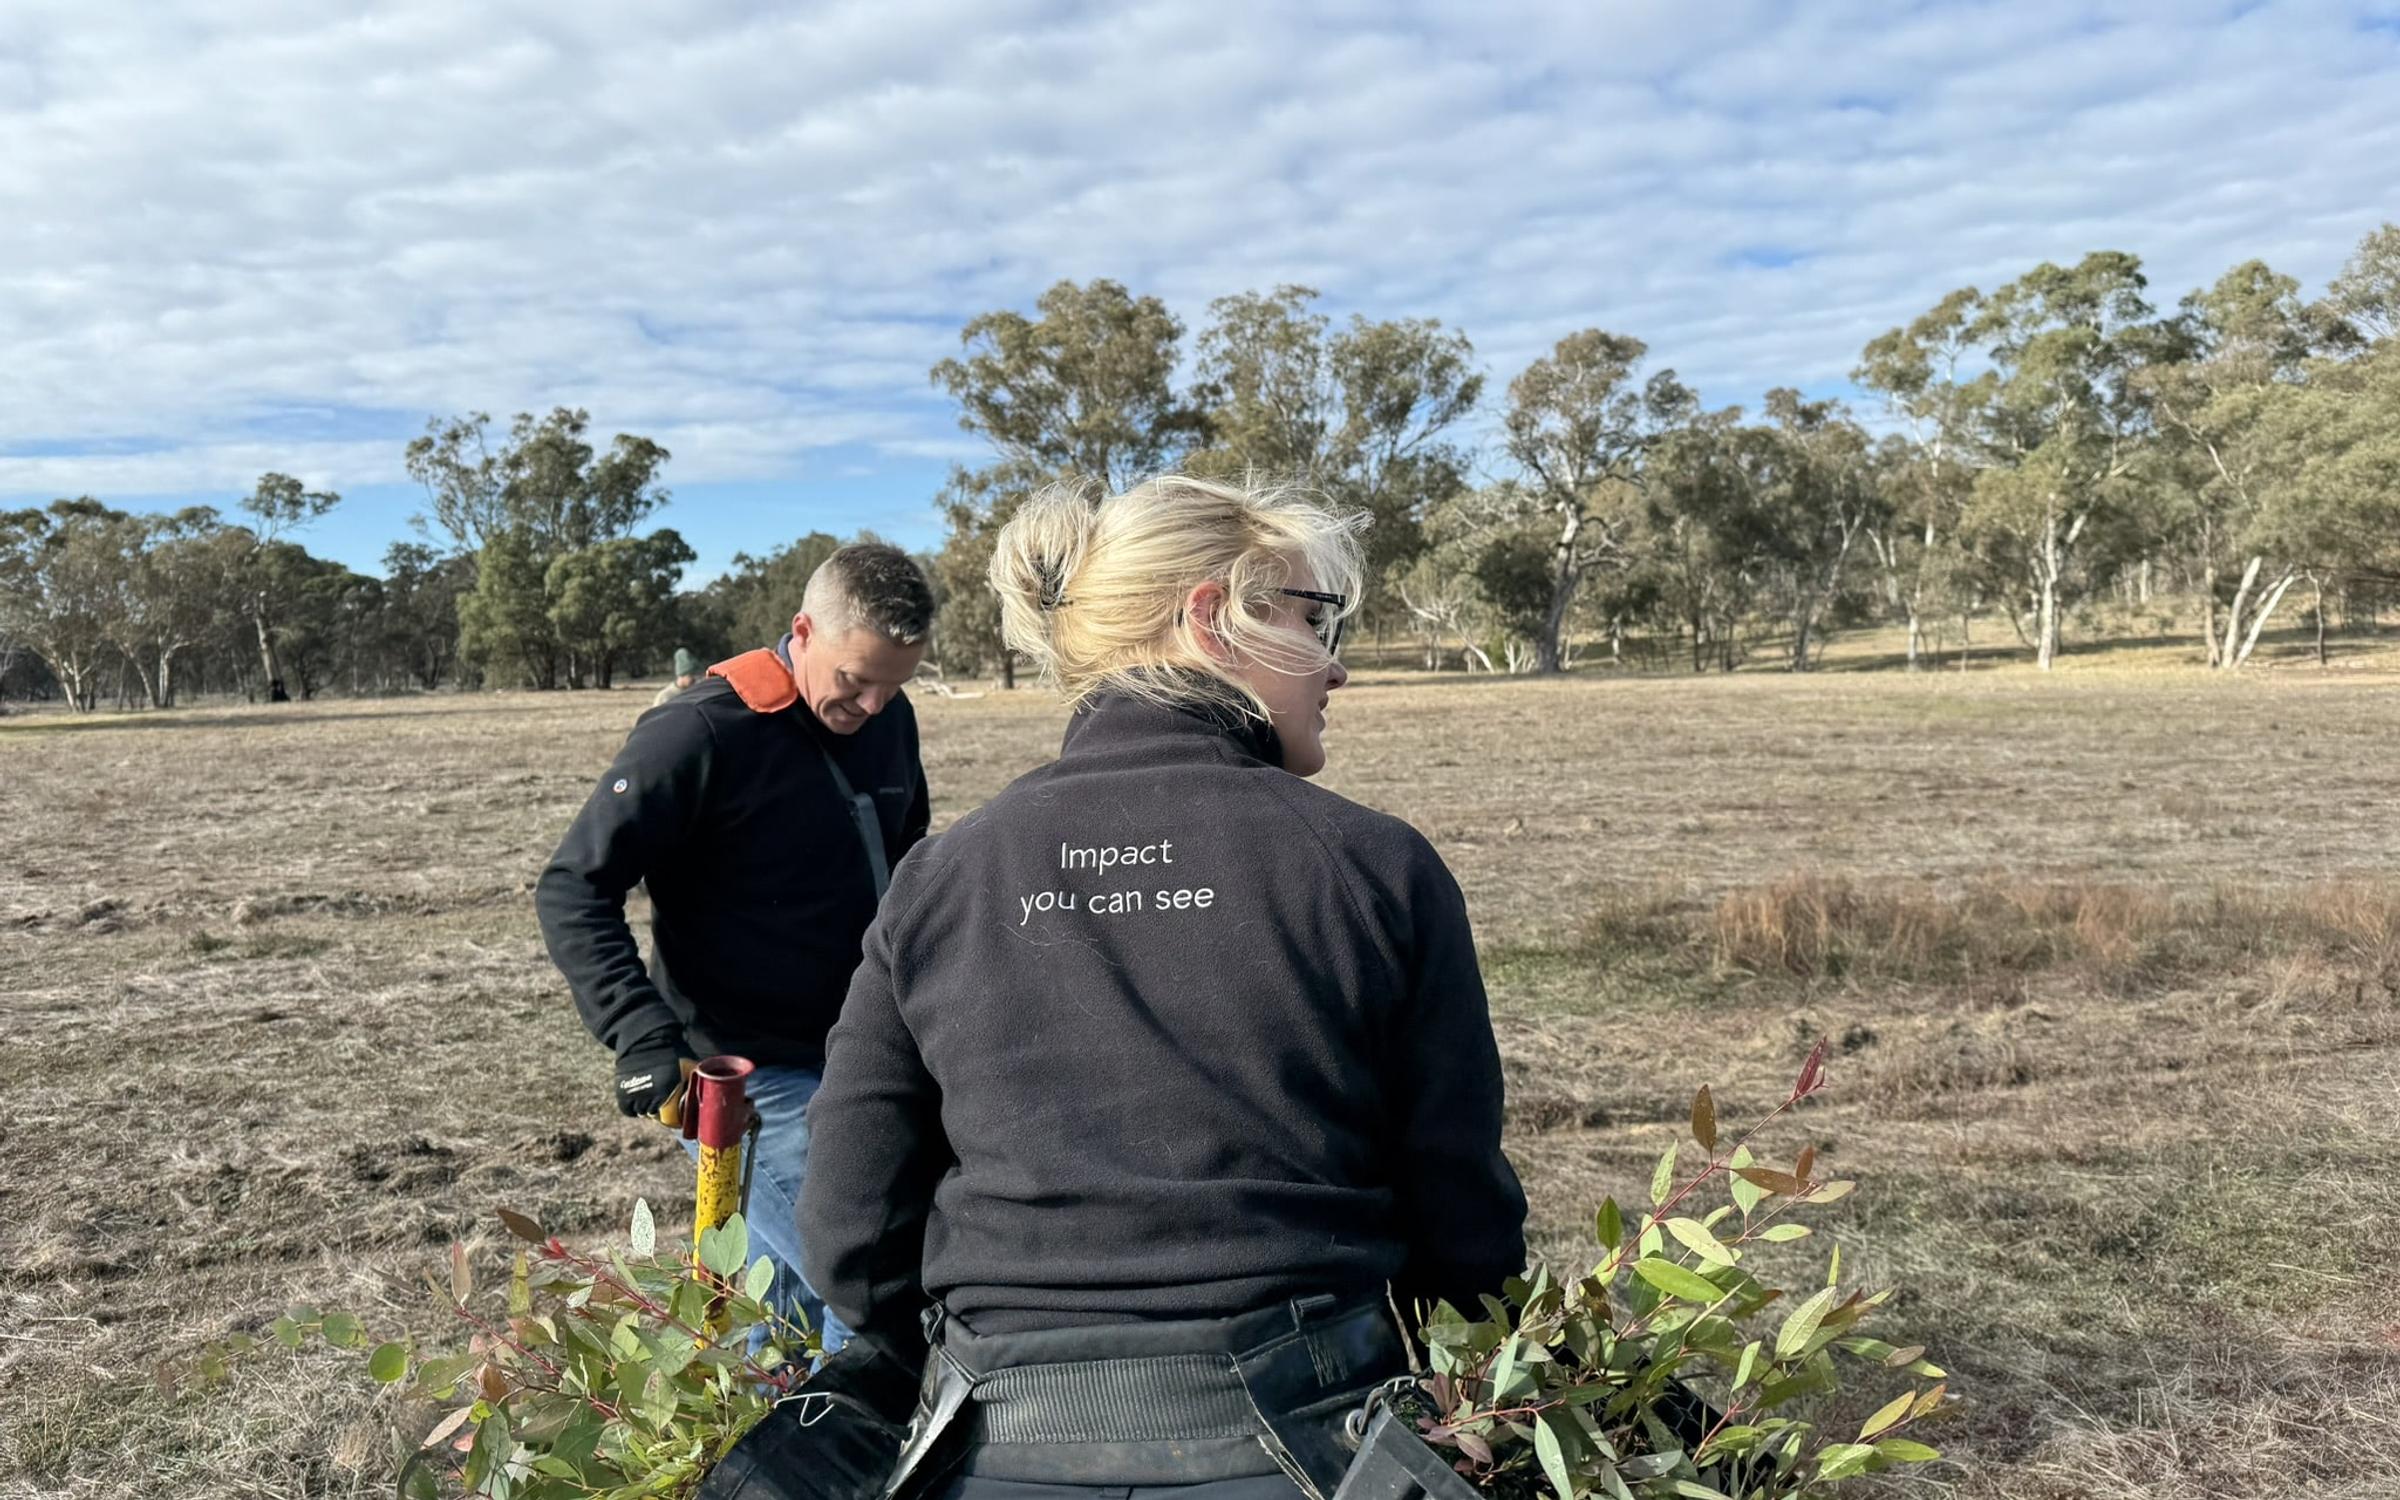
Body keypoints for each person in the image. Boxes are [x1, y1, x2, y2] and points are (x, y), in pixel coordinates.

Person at [795, 477, 1527, 1500]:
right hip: (1312, 1442)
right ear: (1211, 618)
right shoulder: (1372, 864)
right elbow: (1462, 1218)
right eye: (1315, 619)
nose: (1338, 665)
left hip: (996, 1449)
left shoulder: (945, 875)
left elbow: (849, 1220)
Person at [537, 542, 936, 1354]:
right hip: (750, 1074)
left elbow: (906, 864)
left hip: (866, 1049)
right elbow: (573, 886)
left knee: (777, 1305)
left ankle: (769, 1422)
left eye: (894, 684)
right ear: (802, 631)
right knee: (861, 1279)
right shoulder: (699, 732)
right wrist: (640, 1033)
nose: (871, 704)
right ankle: (857, 1431)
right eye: (854, 679)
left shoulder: (889, 720)